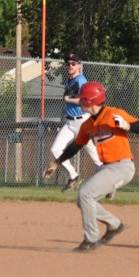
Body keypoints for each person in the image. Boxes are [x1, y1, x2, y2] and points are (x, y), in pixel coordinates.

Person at [43, 81, 139, 251]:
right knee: (82, 200)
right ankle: (114, 224)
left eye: (82, 99)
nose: (80, 102)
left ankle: (91, 240)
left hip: (122, 167)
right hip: (108, 168)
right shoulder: (87, 125)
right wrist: (56, 162)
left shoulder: (114, 113)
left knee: (85, 194)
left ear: (91, 101)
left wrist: (127, 125)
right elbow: (75, 146)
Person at [49, 53, 102, 192]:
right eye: (68, 64)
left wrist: (69, 99)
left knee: (95, 157)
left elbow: (85, 100)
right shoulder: (70, 80)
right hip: (70, 122)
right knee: (55, 149)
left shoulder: (81, 80)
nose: (70, 66)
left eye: (73, 63)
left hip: (82, 122)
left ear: (79, 65)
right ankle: (73, 175)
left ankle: (109, 184)